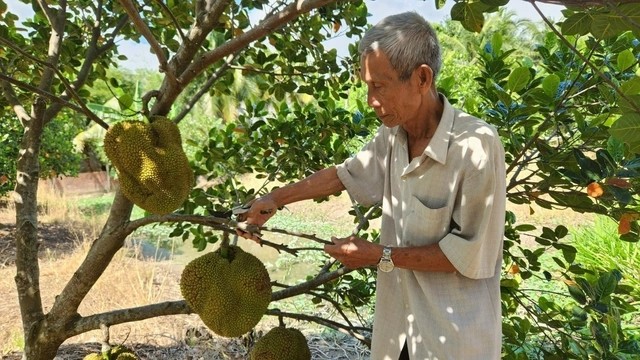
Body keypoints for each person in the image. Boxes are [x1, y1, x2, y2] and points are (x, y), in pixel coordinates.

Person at [237, 11, 506, 360]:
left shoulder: (476, 146)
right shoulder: (393, 137)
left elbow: (469, 255)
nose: (370, 101)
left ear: (422, 78)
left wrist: (379, 256)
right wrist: (274, 199)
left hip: (455, 341)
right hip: (397, 335)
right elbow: (344, 174)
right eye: (367, 86)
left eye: (379, 86)